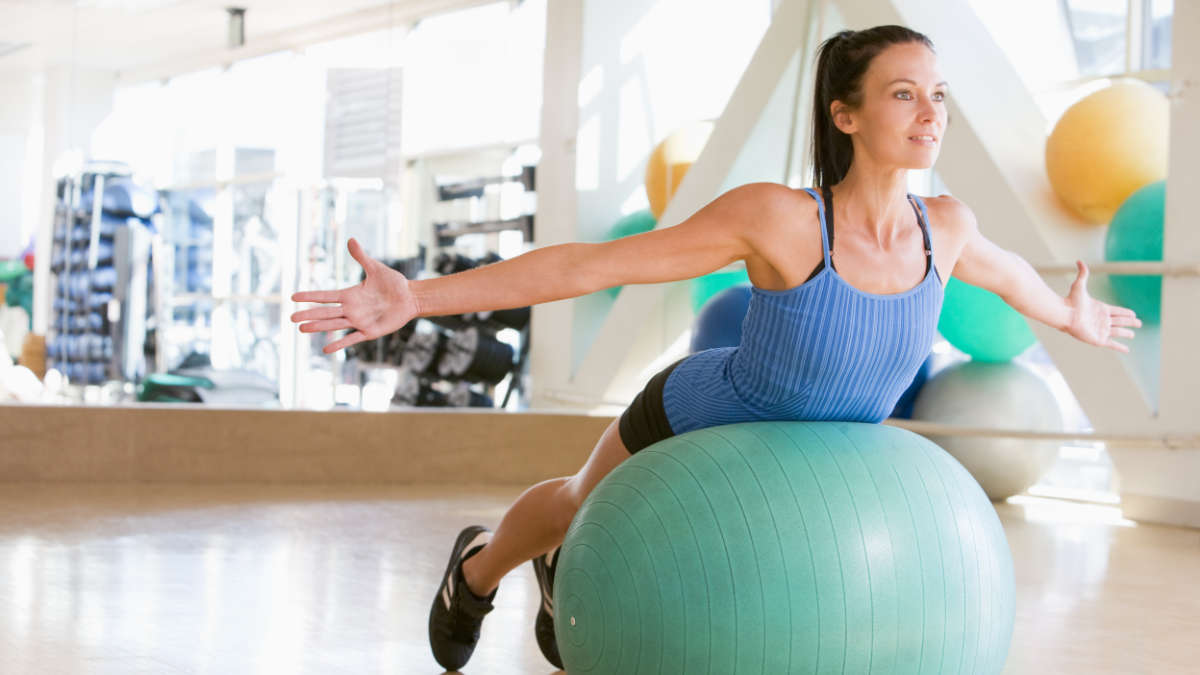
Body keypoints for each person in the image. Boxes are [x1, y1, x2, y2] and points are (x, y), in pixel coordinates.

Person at [290, 25, 1141, 672]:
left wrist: (1076, 319)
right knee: (580, 498)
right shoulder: (780, 218)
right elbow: (592, 265)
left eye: (940, 94)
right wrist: (418, 297)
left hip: (819, 460)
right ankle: (476, 574)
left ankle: (547, 569)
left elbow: (1013, 279)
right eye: (904, 95)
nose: (931, 113)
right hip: (704, 410)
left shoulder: (944, 227)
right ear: (845, 114)